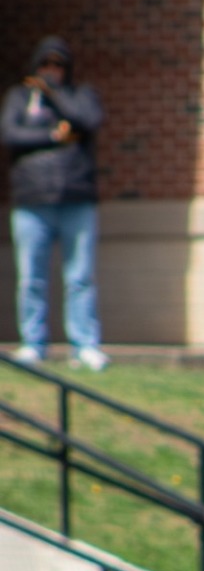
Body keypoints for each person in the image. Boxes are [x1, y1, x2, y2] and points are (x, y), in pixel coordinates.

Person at [4, 37, 107, 371]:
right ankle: (33, 344)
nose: (52, 71)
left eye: (58, 65)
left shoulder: (79, 96)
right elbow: (10, 135)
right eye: (46, 65)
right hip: (32, 201)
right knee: (32, 277)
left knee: (80, 277)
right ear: (36, 67)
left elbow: (89, 121)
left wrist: (56, 96)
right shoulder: (20, 98)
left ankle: (85, 346)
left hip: (76, 198)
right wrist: (52, 137)